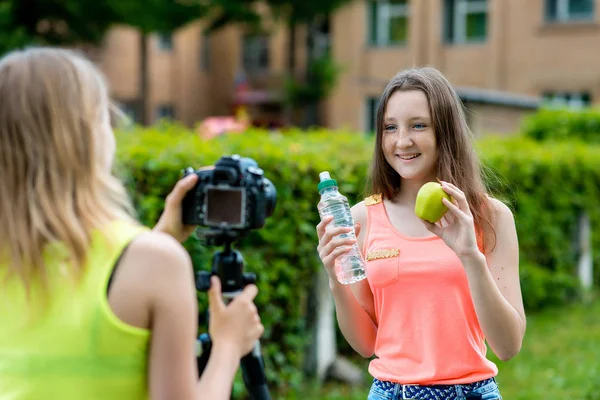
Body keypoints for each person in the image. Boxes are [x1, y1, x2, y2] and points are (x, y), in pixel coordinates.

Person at [0, 47, 264, 400]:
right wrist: (228, 346)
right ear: (89, 139)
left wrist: (159, 240)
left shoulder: (152, 259)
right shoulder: (157, 264)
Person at [316, 67, 526, 400]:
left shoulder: (491, 217)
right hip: (388, 392)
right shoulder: (362, 218)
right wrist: (335, 278)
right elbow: (366, 344)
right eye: (390, 127)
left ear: (446, 132)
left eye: (418, 125)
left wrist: (470, 255)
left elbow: (508, 345)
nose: (402, 141)